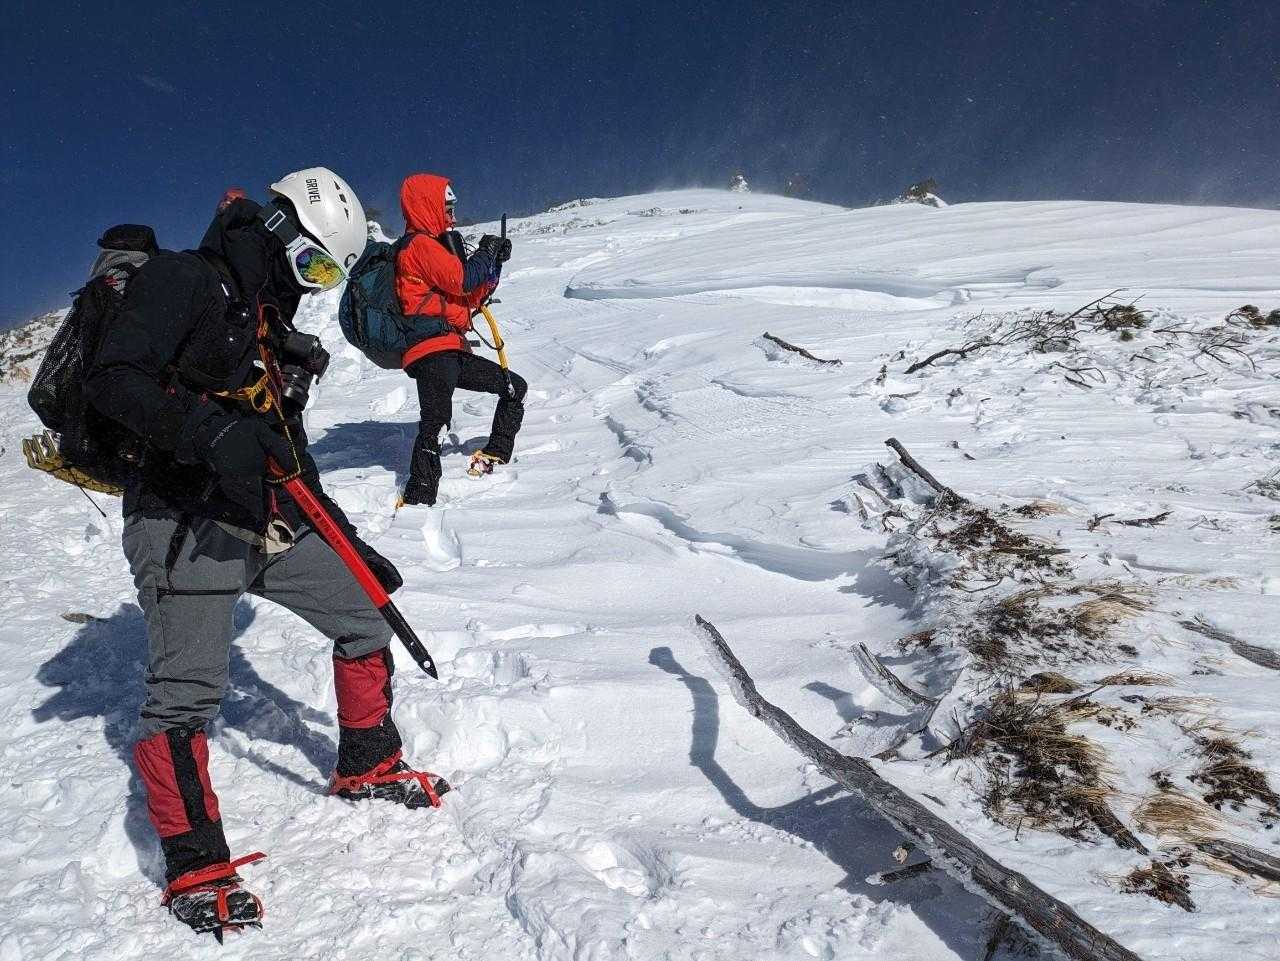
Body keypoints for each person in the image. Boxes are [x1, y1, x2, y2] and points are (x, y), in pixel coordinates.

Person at [84, 167, 449, 937]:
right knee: (186, 695)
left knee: (362, 616)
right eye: (311, 264)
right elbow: (112, 380)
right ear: (279, 230)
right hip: (179, 518)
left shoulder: (260, 326)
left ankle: (368, 762)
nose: (312, 286)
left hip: (258, 519)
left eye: (328, 275)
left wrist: (351, 548)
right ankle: (194, 864)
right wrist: (209, 431)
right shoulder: (185, 280)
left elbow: (290, 463)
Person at [394, 173, 525, 507]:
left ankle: (496, 452)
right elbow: (463, 279)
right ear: (429, 207)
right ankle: (419, 496)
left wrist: (494, 265)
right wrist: (484, 252)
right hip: (431, 351)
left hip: (452, 348)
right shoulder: (418, 245)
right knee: (436, 424)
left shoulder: (437, 248)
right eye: (447, 209)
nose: (452, 218)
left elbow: (471, 297)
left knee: (514, 388)